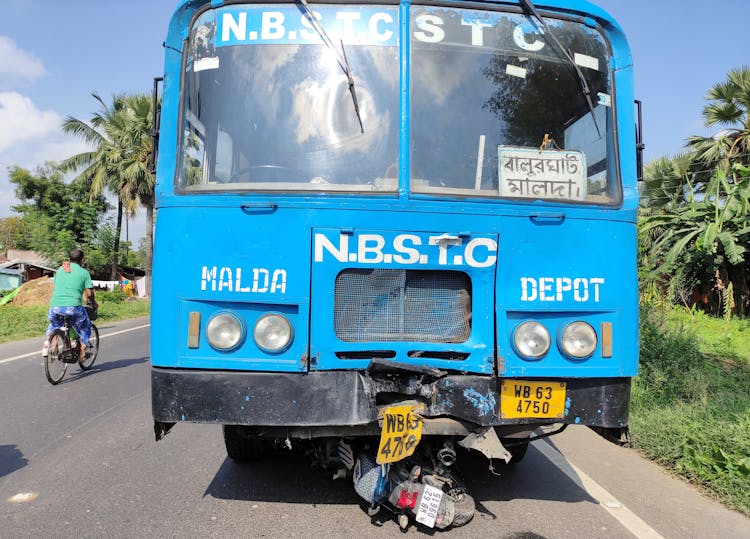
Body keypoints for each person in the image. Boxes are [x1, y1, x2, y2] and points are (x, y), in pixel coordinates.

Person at [42, 249, 98, 359]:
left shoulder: (60, 270)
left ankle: (53, 342)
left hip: (55, 306)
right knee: (85, 326)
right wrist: (94, 303)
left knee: (55, 325)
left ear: (69, 258)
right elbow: (89, 293)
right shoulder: (84, 272)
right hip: (73, 306)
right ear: (82, 260)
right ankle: (83, 352)